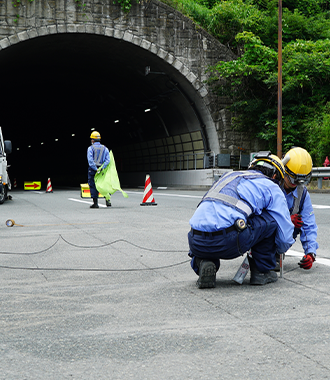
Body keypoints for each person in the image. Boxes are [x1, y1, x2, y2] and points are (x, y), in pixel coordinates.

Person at [188, 151, 295, 288]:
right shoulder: (271, 185)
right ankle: (261, 272)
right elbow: (284, 237)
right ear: (274, 176)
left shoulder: (227, 176)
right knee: (272, 221)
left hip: (196, 240)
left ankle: (203, 262)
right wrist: (276, 251)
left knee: (216, 222)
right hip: (230, 241)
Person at [279, 147, 318, 270]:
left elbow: (309, 224)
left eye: (300, 180)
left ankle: (277, 251)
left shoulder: (302, 193)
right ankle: (262, 252)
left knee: (298, 223)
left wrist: (310, 253)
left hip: (284, 237)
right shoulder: (272, 185)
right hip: (266, 233)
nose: (295, 183)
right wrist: (286, 220)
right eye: (292, 178)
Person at [87, 131, 111, 209]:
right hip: (103, 170)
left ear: (93, 140)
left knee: (93, 185)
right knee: (104, 184)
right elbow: (108, 160)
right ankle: (107, 200)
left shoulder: (90, 148)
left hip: (93, 170)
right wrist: (103, 167)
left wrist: (95, 169)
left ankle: (95, 203)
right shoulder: (105, 148)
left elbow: (90, 160)